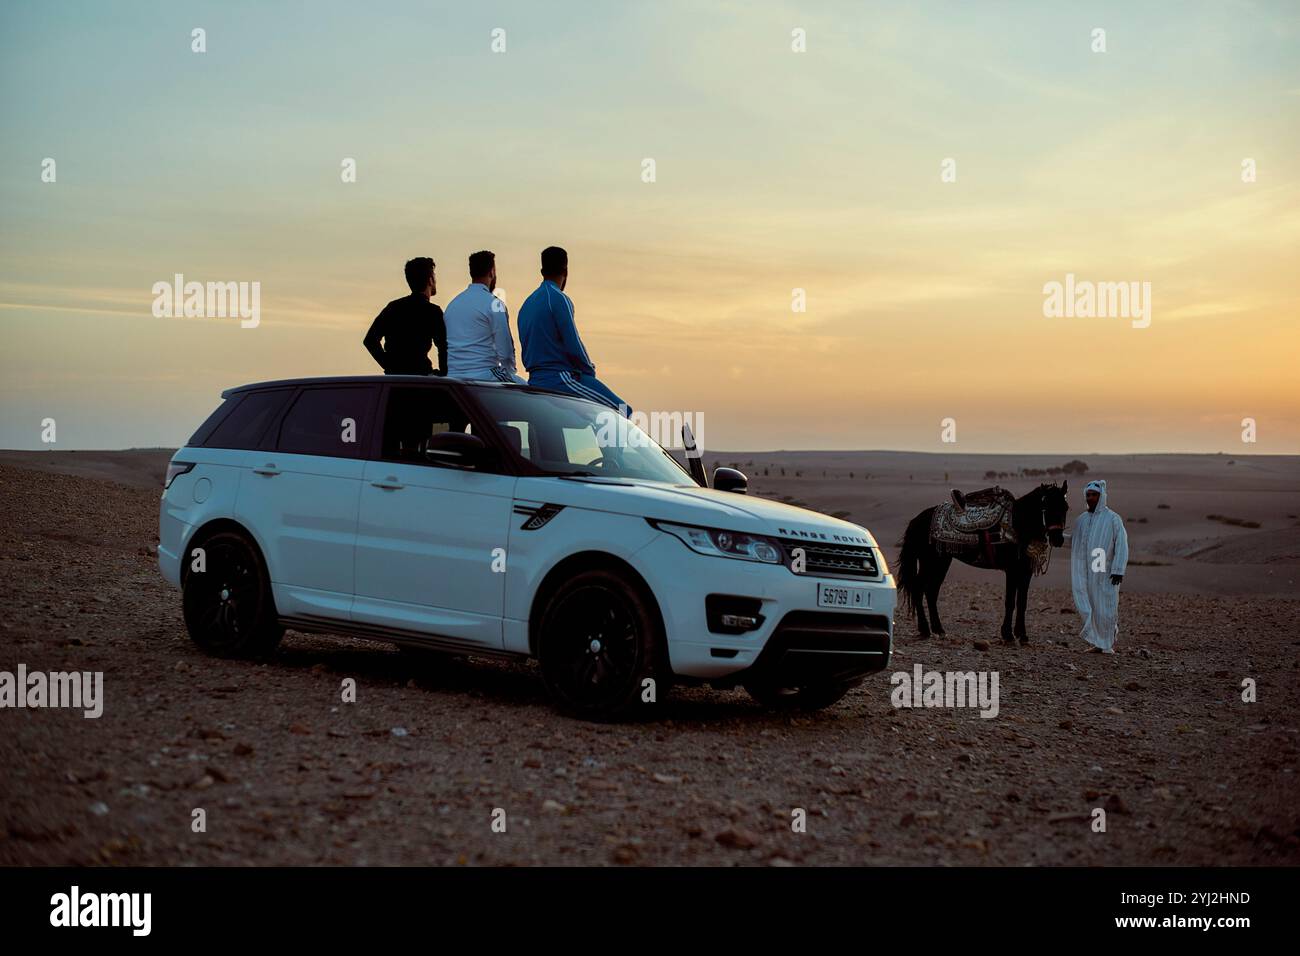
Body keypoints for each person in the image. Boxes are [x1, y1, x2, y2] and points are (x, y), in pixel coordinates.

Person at [518, 246, 631, 413]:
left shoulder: (525, 305)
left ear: (542, 271)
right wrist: (589, 370)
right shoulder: (558, 299)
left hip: (535, 380)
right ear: (566, 271)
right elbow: (573, 343)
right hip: (559, 378)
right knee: (622, 410)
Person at [442, 250, 524, 382]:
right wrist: (510, 373)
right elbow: (506, 352)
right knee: (530, 392)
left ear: (471, 273)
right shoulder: (494, 304)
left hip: (453, 376)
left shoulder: (452, 305)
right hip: (485, 374)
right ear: (492, 272)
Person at [1070, 479, 1129, 653]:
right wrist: (1058, 539)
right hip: (1083, 570)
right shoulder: (1081, 520)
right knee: (1088, 605)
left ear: (1101, 496)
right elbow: (1076, 541)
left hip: (1102, 567)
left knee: (1105, 605)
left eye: (1094, 495)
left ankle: (1107, 645)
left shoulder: (1113, 519)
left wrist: (1118, 569)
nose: (1090, 498)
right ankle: (1099, 643)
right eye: (1088, 495)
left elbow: (1122, 545)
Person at [363, 257, 447, 375]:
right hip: (421, 379)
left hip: (394, 381)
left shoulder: (392, 308)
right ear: (430, 280)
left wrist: (388, 365)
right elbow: (444, 347)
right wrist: (443, 374)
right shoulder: (433, 311)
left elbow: (370, 340)